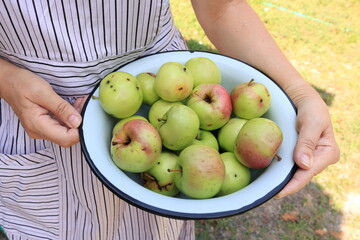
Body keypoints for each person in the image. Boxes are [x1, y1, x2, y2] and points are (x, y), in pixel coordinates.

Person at [0, 0, 339, 239]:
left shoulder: (185, 101)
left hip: (168, 78)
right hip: (39, 108)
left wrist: (300, 93)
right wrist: (7, 80)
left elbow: (222, 6)